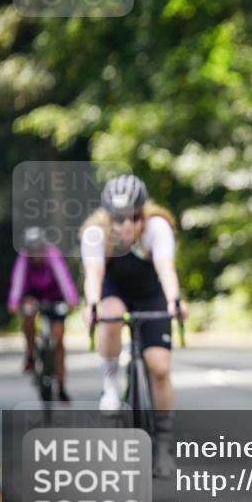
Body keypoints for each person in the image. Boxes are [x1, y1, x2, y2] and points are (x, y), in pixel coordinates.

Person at [79, 175, 187, 478]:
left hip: (150, 294)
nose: (127, 226)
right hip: (116, 291)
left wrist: (175, 301)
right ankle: (111, 384)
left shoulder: (157, 228)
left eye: (135, 217)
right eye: (119, 218)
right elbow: (94, 275)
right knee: (110, 315)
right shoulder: (95, 234)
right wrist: (92, 305)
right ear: (107, 216)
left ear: (144, 213)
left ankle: (163, 444)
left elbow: (166, 269)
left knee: (160, 366)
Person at [7, 226, 80, 401]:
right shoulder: (24, 259)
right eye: (32, 251)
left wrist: (71, 298)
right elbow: (17, 281)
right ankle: (31, 354)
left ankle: (61, 385)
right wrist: (13, 301)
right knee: (28, 316)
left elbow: (63, 277)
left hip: (54, 298)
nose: (36, 255)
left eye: (38, 250)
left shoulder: (52, 255)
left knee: (59, 341)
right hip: (33, 297)